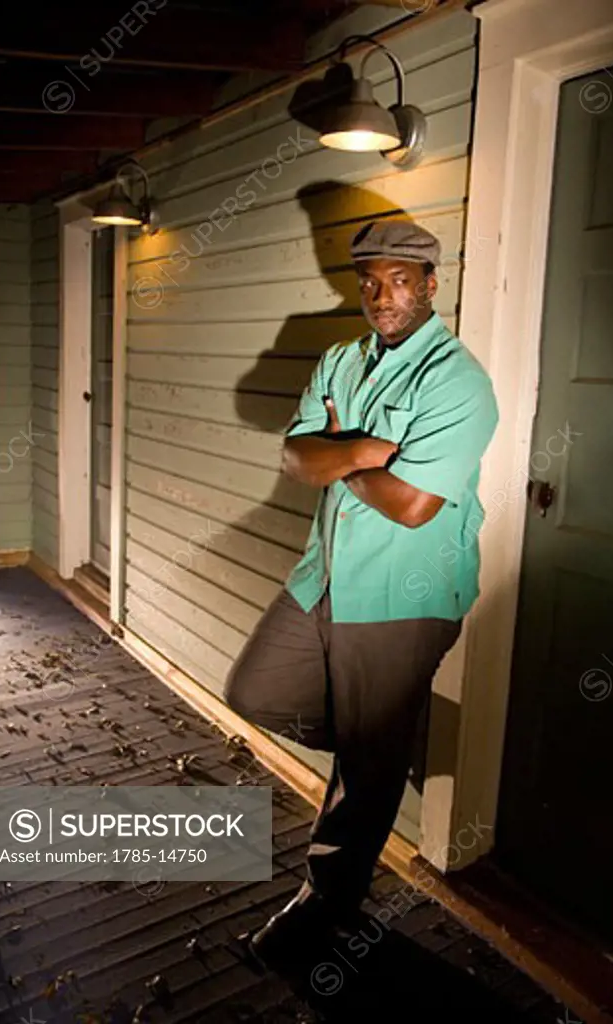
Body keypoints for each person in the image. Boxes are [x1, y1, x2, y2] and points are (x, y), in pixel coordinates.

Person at [225, 218, 499, 967]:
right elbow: (292, 456)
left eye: (400, 280)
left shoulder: (458, 382)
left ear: (431, 284)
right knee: (256, 691)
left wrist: (336, 454)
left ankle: (325, 903)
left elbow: (413, 506)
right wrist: (365, 452)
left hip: (400, 594)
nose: (382, 296)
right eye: (370, 280)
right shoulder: (342, 357)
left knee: (366, 765)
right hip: (325, 575)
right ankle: (379, 743)